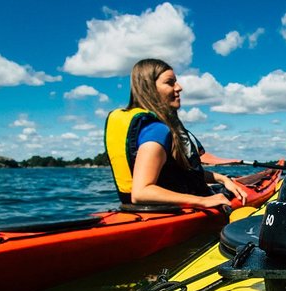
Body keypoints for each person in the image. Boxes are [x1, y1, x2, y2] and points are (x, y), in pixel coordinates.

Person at [105, 59, 246, 207]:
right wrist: (203, 201)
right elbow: (141, 192)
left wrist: (222, 179)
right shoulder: (157, 130)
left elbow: (184, 175)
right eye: (170, 82)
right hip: (168, 212)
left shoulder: (152, 128)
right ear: (150, 88)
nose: (179, 88)